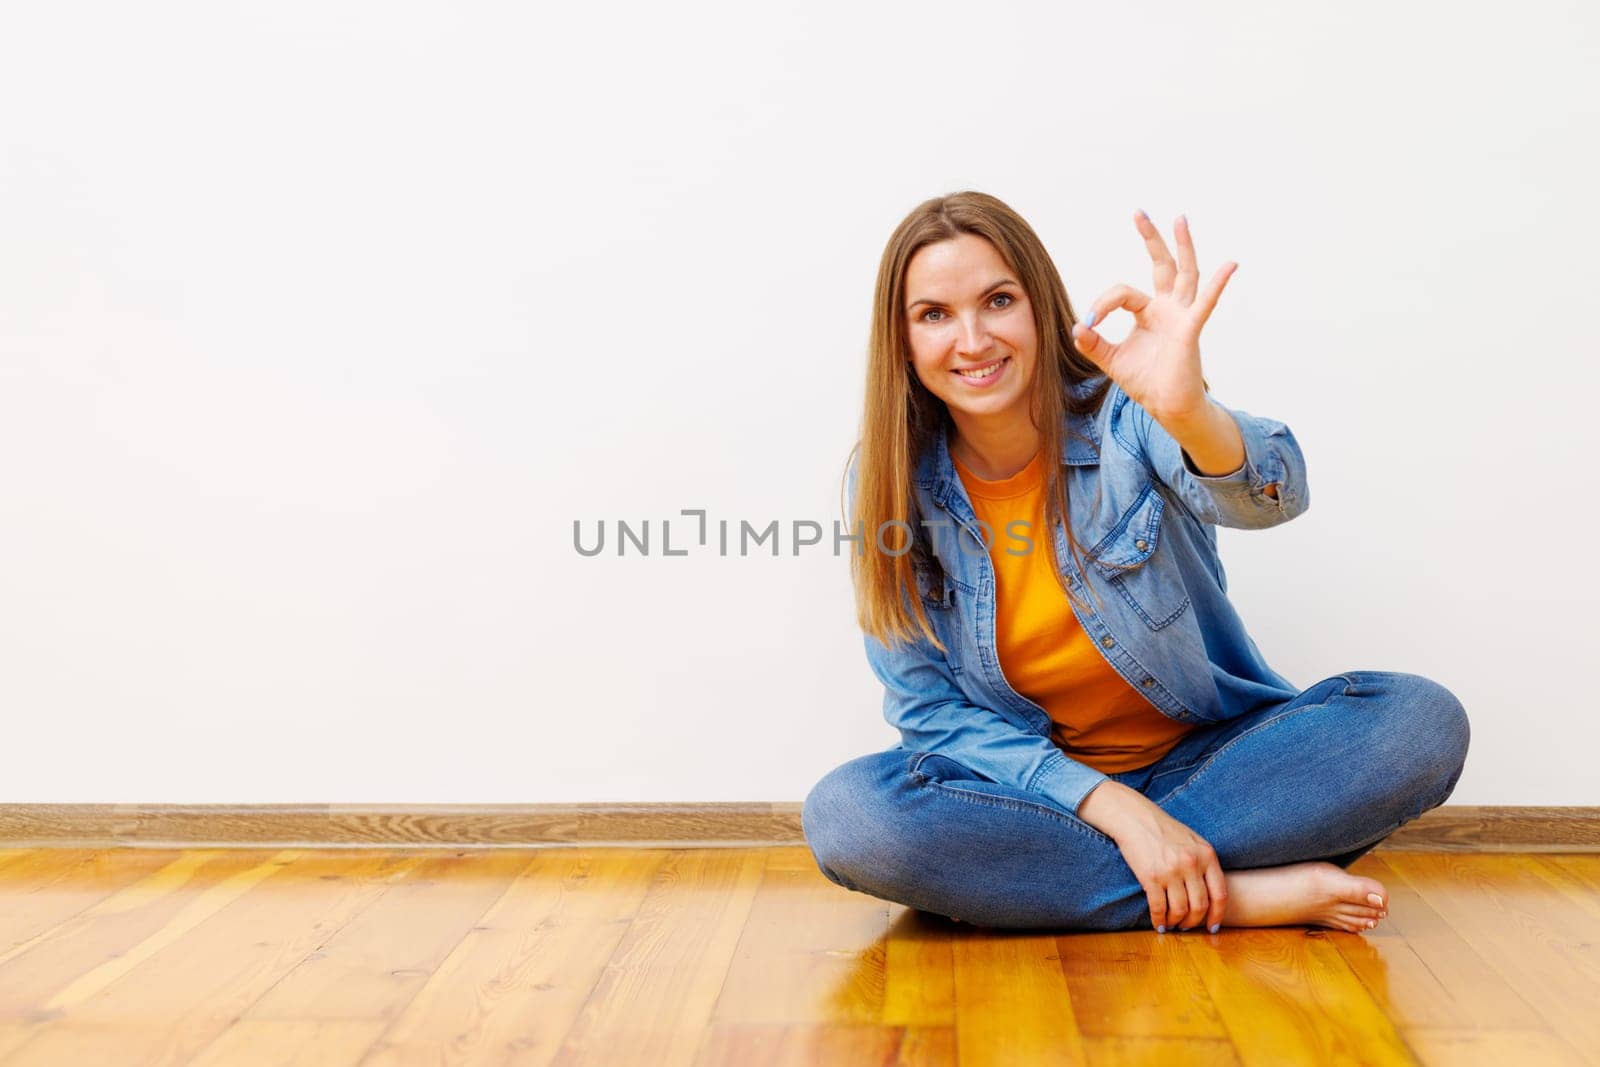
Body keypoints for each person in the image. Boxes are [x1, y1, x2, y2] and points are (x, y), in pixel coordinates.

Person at [801, 191, 1470, 934]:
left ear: (1040, 305)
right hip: (1038, 796)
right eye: (934, 314)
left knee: (1418, 722)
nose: (973, 339)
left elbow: (1271, 498)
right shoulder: (888, 479)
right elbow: (927, 711)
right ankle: (1237, 894)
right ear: (901, 340)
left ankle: (1103, 883)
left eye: (997, 301)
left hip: (1213, 767)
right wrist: (1113, 808)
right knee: (849, 815)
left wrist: (1190, 414)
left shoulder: (1124, 413)